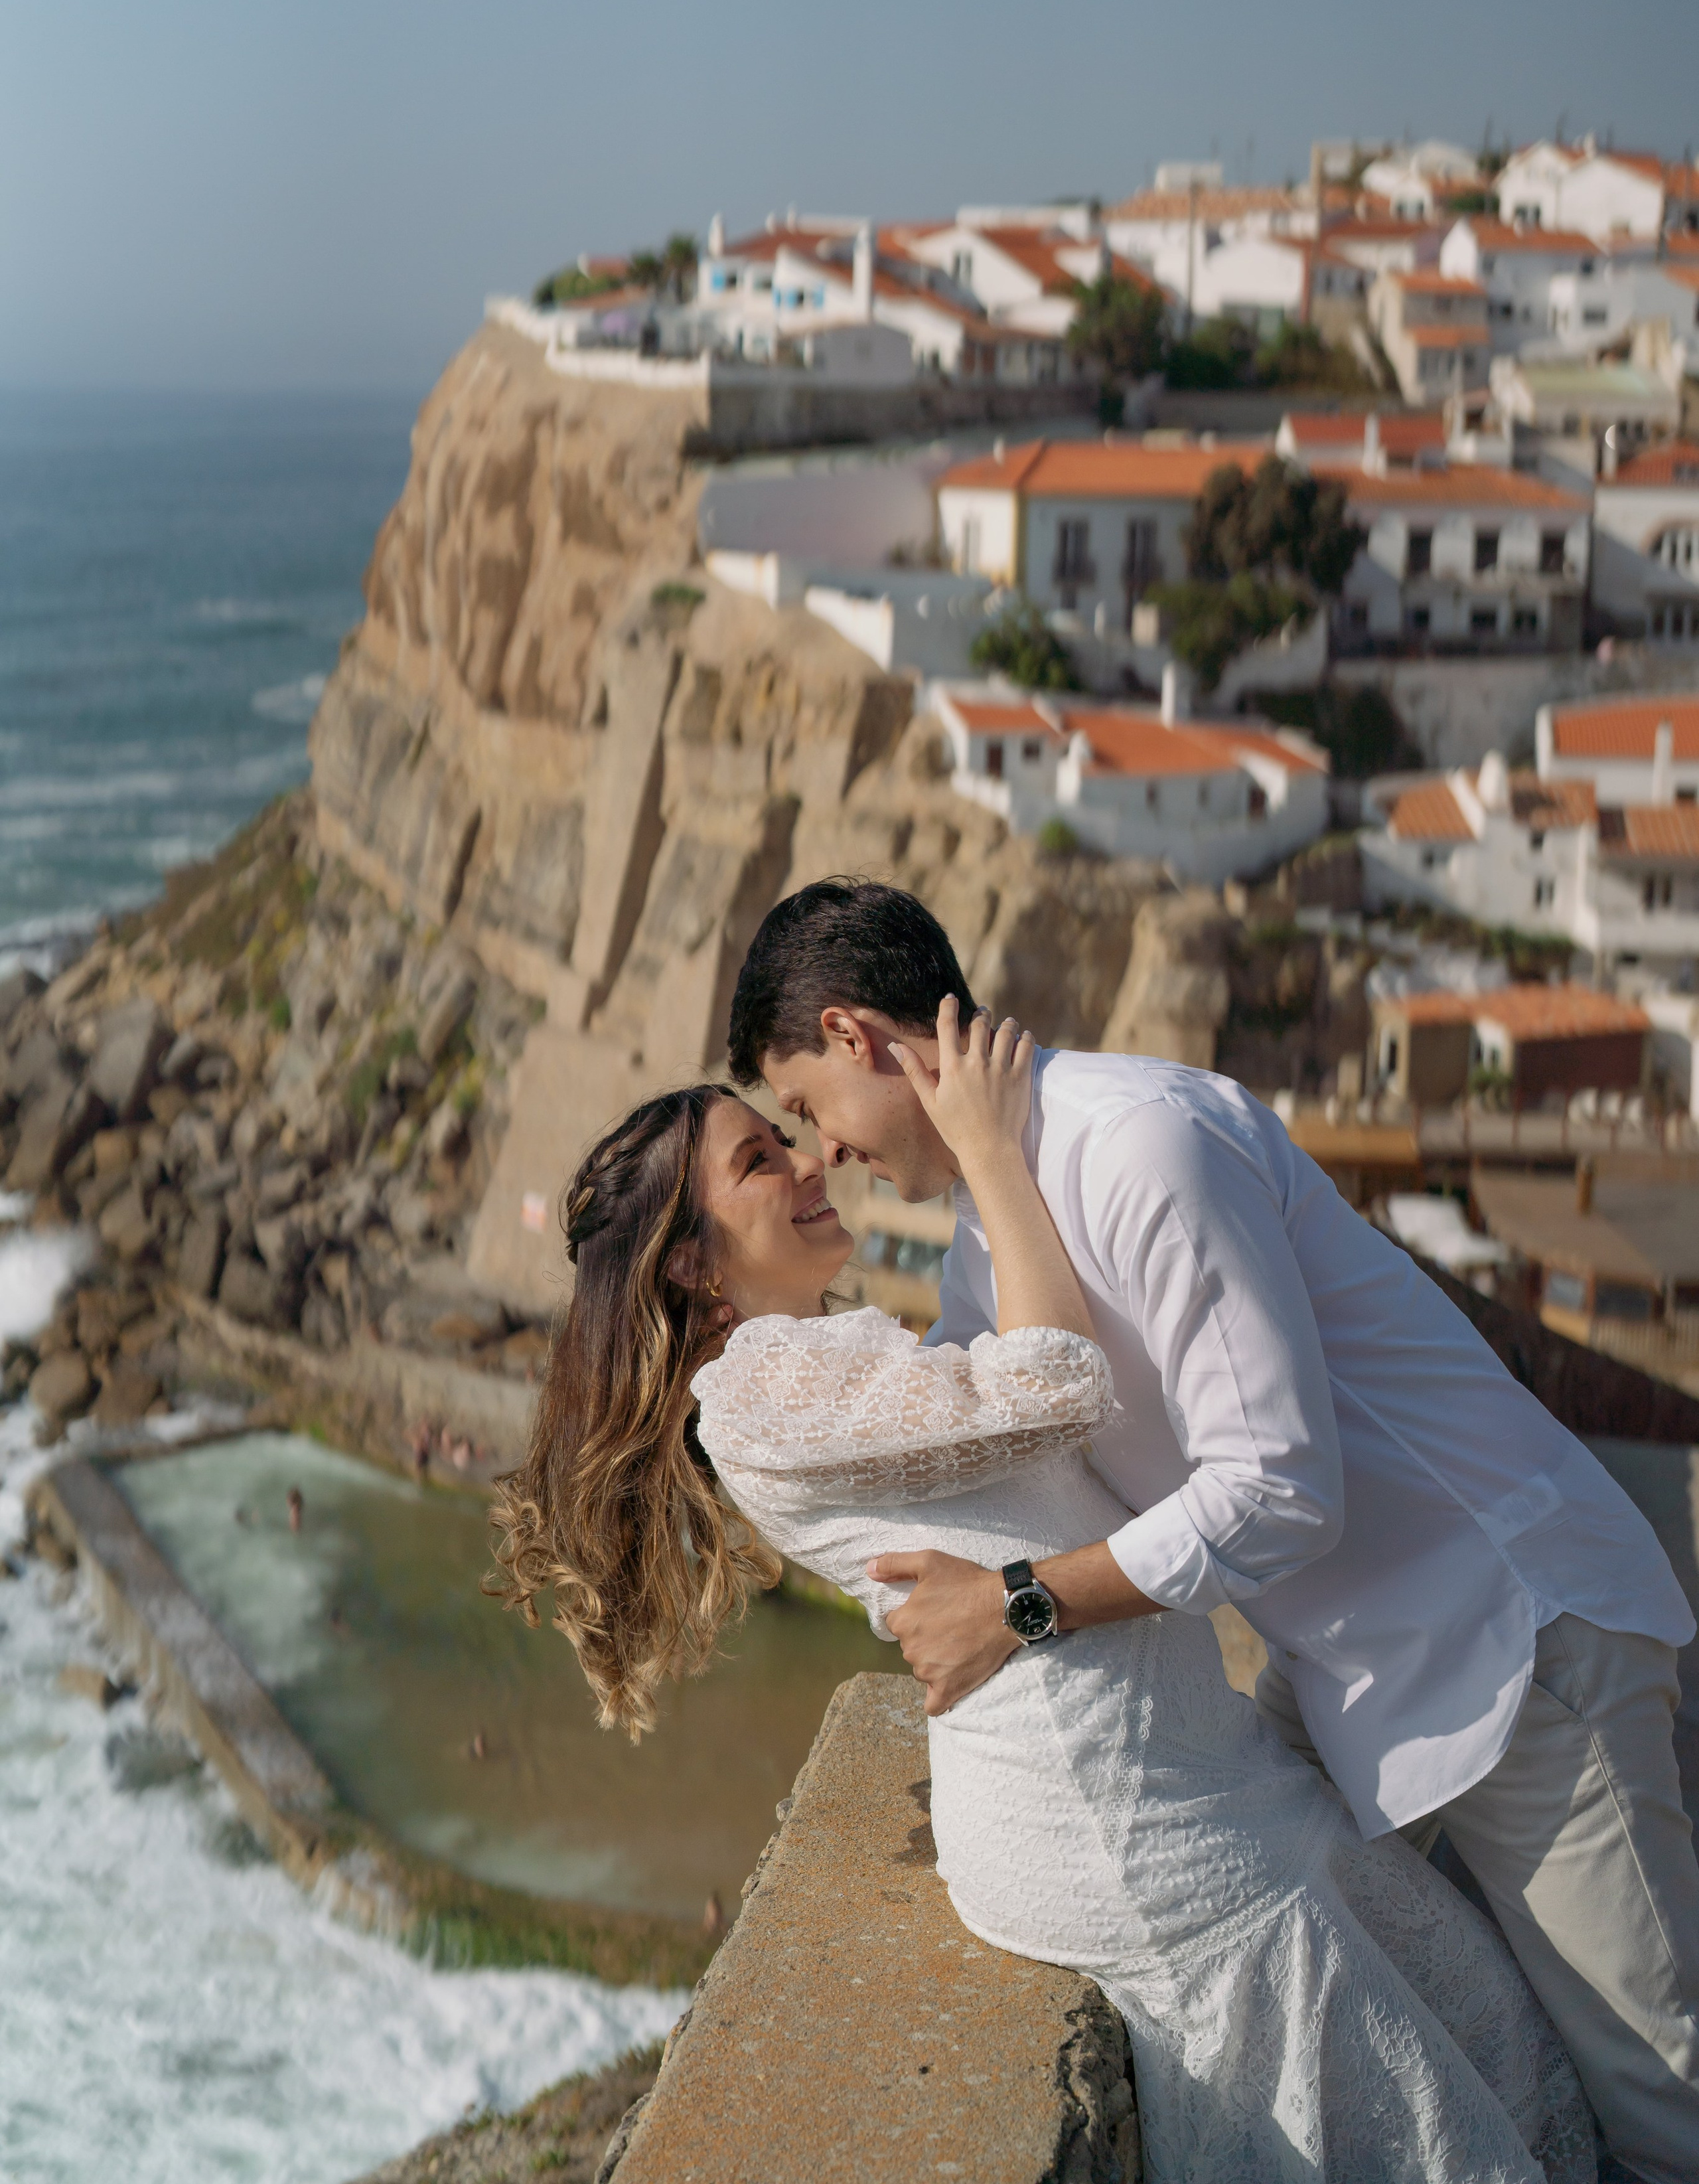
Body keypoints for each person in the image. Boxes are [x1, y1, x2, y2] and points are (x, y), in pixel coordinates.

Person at [724, 878, 1699, 2184]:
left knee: (1658, 2096)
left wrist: (1015, 1601)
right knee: (1506, 2059)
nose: (822, 1148)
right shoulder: (990, 1218)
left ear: (856, 1036)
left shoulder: (1135, 1144)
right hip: (1355, 1671)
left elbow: (1280, 1487)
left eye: (805, 1109)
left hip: (1513, 1638)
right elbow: (988, 1416)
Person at [492, 1030, 1595, 2181]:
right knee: (1434, 2113)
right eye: (761, 1161)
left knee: (1471, 2042)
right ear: (687, 1264)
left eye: (788, 1134)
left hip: (1178, 1775)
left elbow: (1019, 1417)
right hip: (1118, 1816)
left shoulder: (824, 1361)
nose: (809, 1160)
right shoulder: (762, 1384)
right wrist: (987, 1150)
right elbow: (1057, 1382)